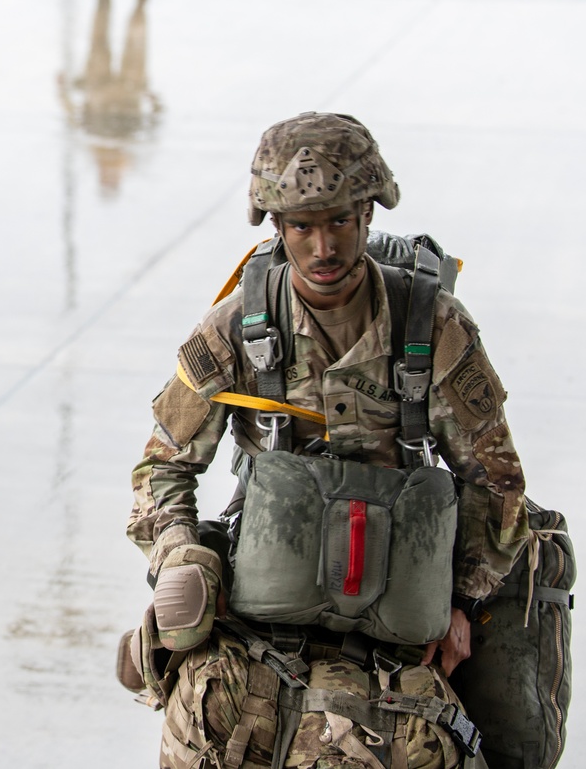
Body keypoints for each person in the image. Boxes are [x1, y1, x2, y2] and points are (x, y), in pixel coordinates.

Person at [124, 112, 529, 768]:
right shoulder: (236, 328)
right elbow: (160, 468)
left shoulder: (435, 330)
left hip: (398, 621)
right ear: (277, 227)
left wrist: (463, 599)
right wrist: (181, 556)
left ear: (368, 216)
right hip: (264, 607)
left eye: (339, 220)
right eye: (302, 226)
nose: (323, 248)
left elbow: (498, 479)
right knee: (204, 717)